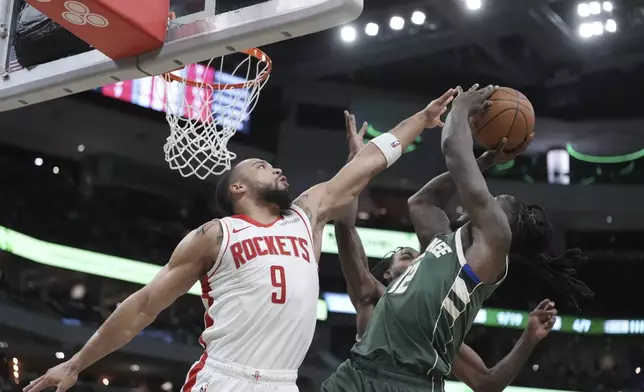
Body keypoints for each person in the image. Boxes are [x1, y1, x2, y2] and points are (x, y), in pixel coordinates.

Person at [23, 89, 457, 392]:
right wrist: (77, 363)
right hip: (225, 377)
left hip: (282, 381)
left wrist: (422, 118)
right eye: (264, 166)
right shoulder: (215, 234)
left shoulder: (306, 214)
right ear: (237, 189)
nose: (278, 171)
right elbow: (142, 306)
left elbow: (366, 164)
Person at [321, 84, 593, 392]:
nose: (486, 197)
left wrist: (461, 108)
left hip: (408, 382)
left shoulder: (495, 241)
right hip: (356, 371)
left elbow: (453, 148)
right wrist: (487, 160)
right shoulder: (442, 242)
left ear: (504, 224)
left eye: (496, 199)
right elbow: (421, 202)